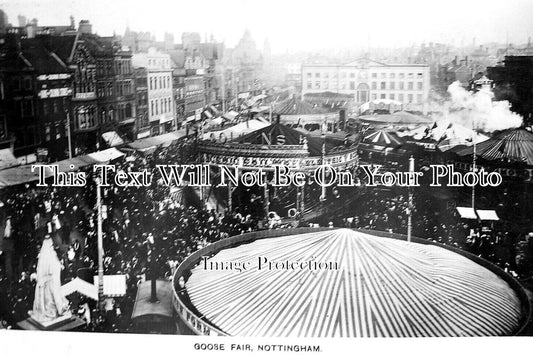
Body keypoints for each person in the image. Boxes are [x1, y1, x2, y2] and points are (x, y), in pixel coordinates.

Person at [30, 235, 70, 323]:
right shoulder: (49, 255)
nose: (52, 247)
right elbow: (50, 270)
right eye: (51, 245)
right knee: (53, 298)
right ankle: (56, 309)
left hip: (46, 282)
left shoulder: (46, 255)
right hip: (50, 283)